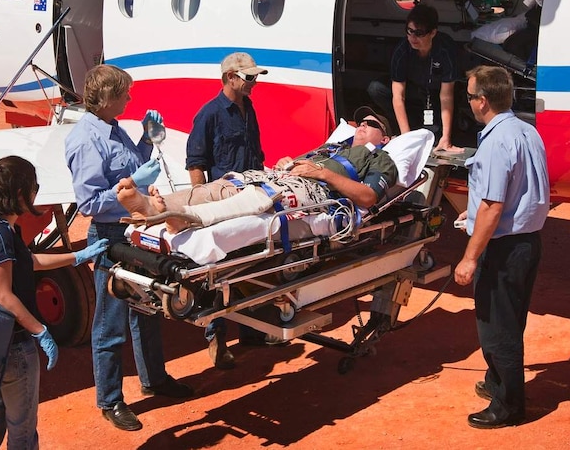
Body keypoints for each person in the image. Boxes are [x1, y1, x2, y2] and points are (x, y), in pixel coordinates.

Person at [64, 64, 193, 432]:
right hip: (110, 237)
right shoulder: (86, 139)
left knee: (147, 309)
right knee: (110, 320)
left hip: (136, 232)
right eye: (125, 94)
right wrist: (132, 185)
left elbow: (128, 168)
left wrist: (147, 142)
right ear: (106, 98)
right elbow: (89, 203)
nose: (130, 99)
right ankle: (110, 400)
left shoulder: (111, 127)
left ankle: (154, 380)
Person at [0, 155, 109, 449]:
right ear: (20, 194)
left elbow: (28, 262)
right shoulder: (0, 236)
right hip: (13, 348)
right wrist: (39, 331)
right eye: (34, 186)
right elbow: (4, 295)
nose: (36, 192)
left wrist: (78, 256)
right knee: (22, 433)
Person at [119, 106, 398, 234]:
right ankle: (153, 206)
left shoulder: (381, 159)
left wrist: (324, 174)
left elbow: (368, 198)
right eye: (359, 121)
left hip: (309, 191)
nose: (361, 124)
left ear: (385, 138)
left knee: (254, 198)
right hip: (274, 177)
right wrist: (288, 162)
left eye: (370, 124)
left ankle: (185, 217)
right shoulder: (331, 147)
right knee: (220, 187)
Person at [453, 65, 550, 429]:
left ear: (482, 101)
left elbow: (493, 207)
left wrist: (469, 257)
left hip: (504, 248)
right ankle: (497, 382)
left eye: (469, 96)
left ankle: (509, 405)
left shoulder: (495, 141)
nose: (469, 102)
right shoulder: (527, 130)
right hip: (526, 243)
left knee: (497, 326)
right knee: (510, 319)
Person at [186, 52, 269, 368]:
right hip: (222, 204)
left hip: (250, 199)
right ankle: (216, 338)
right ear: (229, 78)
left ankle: (251, 331)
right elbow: (196, 163)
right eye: (249, 78)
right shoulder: (209, 114)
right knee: (218, 272)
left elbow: (256, 153)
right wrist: (202, 203)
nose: (254, 83)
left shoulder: (249, 109)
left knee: (250, 264)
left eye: (255, 77)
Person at [367, 3, 462, 152]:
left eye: (419, 33)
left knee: (434, 140)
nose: (412, 38)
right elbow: (398, 95)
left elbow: (446, 96)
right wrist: (406, 137)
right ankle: (406, 125)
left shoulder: (446, 50)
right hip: (414, 90)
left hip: (437, 95)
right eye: (409, 31)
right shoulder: (402, 50)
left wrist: (447, 138)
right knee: (376, 88)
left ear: (432, 33)